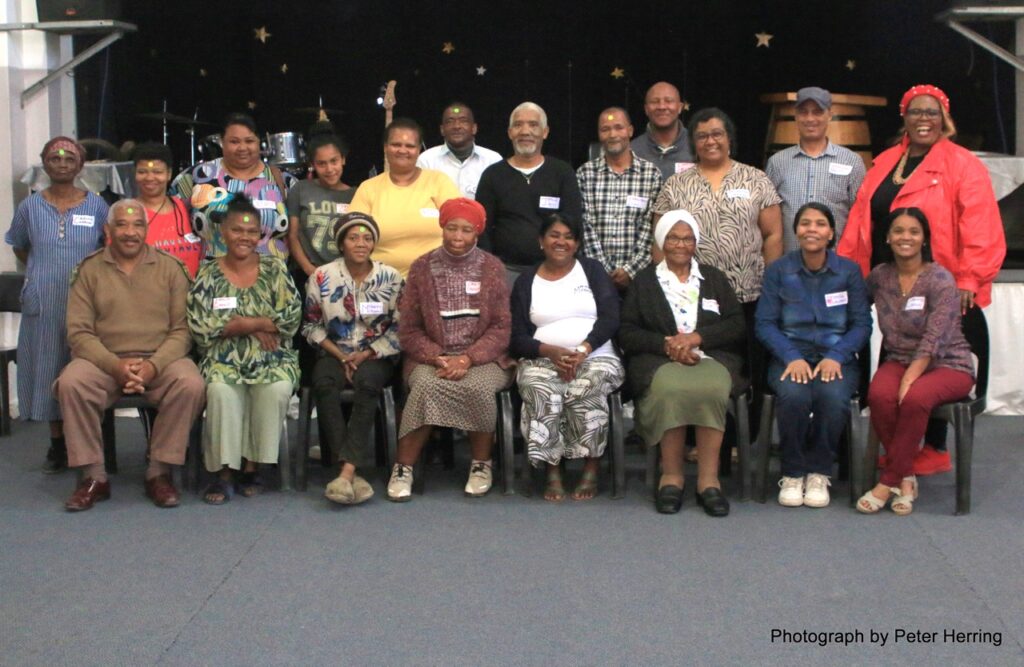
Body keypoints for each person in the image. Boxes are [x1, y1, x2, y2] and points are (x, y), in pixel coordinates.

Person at [837, 84, 1005, 475]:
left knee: (936, 364)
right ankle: (901, 446)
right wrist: (849, 274)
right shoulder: (884, 163)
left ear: (944, 118)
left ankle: (933, 447)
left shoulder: (963, 164)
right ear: (904, 118)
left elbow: (981, 226)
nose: (923, 119)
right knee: (896, 358)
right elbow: (861, 224)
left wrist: (969, 277)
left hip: (944, 288)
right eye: (915, 112)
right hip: (891, 284)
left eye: (931, 112)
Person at [54, 200, 205, 511]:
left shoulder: (170, 268)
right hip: (104, 361)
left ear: (146, 230)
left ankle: (158, 471)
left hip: (159, 359)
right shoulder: (88, 270)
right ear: (108, 230)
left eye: (137, 225)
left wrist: (152, 366)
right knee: (71, 382)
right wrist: (115, 365)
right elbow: (79, 333)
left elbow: (182, 331)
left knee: (191, 384)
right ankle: (94, 477)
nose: (130, 232)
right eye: (122, 225)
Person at [618, 210, 746, 517]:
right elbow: (628, 332)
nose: (680, 244)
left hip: (711, 357)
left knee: (713, 387)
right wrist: (667, 344)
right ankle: (671, 476)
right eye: (673, 237)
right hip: (657, 360)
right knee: (671, 389)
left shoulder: (713, 278)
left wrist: (697, 338)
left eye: (688, 238)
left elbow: (736, 324)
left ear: (696, 242)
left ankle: (708, 480)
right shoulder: (644, 282)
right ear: (662, 241)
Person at [652, 107, 782, 403]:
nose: (710, 141)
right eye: (702, 136)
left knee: (745, 367)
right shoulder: (676, 185)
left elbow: (773, 234)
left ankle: (740, 443)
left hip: (748, 292)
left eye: (717, 134)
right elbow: (660, 240)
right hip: (692, 298)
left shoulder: (755, 179)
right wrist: (666, 289)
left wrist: (772, 283)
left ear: (729, 138)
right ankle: (694, 441)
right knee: (696, 367)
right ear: (692, 142)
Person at [388, 198, 513, 501]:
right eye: (452, 228)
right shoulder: (421, 267)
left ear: (477, 233)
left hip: (483, 359)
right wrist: (438, 358)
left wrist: (467, 358)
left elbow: (500, 327)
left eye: (466, 230)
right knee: (425, 387)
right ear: (442, 228)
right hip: (431, 358)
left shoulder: (492, 268)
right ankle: (403, 468)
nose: (458, 237)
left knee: (479, 388)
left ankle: (481, 464)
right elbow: (410, 329)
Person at [857, 208, 975, 516]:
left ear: (924, 239)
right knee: (879, 395)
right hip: (899, 358)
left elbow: (935, 337)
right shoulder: (880, 276)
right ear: (887, 237)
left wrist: (911, 376)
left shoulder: (940, 279)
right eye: (898, 231)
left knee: (915, 397)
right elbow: (856, 310)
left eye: (913, 231)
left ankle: (889, 481)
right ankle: (907, 477)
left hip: (949, 363)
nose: (905, 237)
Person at [755, 203, 871, 508]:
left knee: (831, 396)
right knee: (794, 396)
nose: (812, 229)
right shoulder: (779, 270)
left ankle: (819, 471)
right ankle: (793, 473)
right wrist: (791, 356)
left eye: (820, 224)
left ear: (831, 233)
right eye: (805, 223)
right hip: (789, 355)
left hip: (838, 358)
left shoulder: (849, 271)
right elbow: (765, 323)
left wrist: (837, 355)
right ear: (796, 231)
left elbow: (862, 324)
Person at [187, 196, 300, 504]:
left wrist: (245, 323)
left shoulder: (275, 268)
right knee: (222, 391)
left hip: (272, 354)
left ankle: (252, 465)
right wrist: (260, 323)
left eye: (252, 232)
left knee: (276, 387)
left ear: (261, 235)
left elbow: (291, 316)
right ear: (223, 232)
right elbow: (200, 325)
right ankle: (224, 472)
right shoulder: (208, 273)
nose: (245, 237)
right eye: (238, 230)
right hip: (222, 357)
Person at [5, 136, 107, 473]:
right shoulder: (30, 207)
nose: (62, 164)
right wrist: (43, 269)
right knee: (48, 367)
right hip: (45, 301)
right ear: (44, 164)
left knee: (84, 366)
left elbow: (109, 248)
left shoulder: (97, 207)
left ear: (80, 165)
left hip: (88, 302)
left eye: (69, 159)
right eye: (54, 158)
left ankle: (89, 440)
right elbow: (20, 246)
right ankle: (58, 443)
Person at [510, 213, 623, 501]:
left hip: (596, 355)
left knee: (585, 386)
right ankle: (552, 469)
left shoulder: (592, 270)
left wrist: (583, 349)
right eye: (554, 235)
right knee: (541, 389)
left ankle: (591, 467)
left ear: (577, 244)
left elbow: (611, 317)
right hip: (542, 358)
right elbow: (517, 337)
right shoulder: (526, 281)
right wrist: (549, 351)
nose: (561, 241)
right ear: (541, 241)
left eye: (569, 237)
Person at [303, 213, 402, 505]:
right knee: (323, 382)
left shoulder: (391, 277)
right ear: (341, 243)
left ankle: (344, 472)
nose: (361, 243)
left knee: (368, 384)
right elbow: (310, 325)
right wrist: (341, 355)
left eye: (367, 238)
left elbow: (401, 327)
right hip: (334, 350)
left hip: (376, 352)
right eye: (353, 237)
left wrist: (368, 353)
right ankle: (350, 473)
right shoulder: (321, 276)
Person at [476, 102, 584, 279]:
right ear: (510, 132)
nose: (525, 131)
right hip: (504, 272)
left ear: (545, 132)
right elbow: (482, 229)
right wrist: (491, 269)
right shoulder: (492, 175)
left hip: (553, 272)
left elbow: (574, 224)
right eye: (518, 125)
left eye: (533, 125)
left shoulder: (562, 173)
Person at [171, 112, 295, 260]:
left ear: (259, 143)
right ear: (222, 142)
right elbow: (169, 223)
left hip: (271, 278)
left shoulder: (283, 180)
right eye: (234, 142)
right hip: (210, 278)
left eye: (249, 141)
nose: (242, 147)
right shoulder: (196, 176)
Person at [349, 117, 460, 277]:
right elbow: (354, 231)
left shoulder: (438, 181)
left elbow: (459, 224)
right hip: (380, 284)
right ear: (385, 148)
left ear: (419, 150)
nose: (402, 150)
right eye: (396, 145)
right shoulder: (369, 188)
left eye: (410, 146)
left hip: (435, 281)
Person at [765, 87, 866, 253]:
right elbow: (769, 220)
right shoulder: (777, 163)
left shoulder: (852, 162)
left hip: (835, 267)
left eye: (817, 112)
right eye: (803, 112)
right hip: (790, 266)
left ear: (829, 115)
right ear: (796, 116)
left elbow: (860, 217)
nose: (810, 118)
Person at [577, 107, 663, 291]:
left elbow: (652, 228)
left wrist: (630, 271)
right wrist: (604, 271)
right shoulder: (585, 174)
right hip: (595, 279)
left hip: (640, 279)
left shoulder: (651, 174)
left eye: (618, 127)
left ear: (630, 131)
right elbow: (584, 226)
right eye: (605, 129)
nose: (612, 134)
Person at [287, 132, 355, 278]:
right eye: (322, 163)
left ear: (343, 159)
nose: (329, 169)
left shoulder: (355, 195)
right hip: (309, 273)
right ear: (312, 165)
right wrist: (309, 270)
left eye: (334, 161)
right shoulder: (300, 189)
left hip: (347, 275)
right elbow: (292, 235)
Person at [132, 142, 203, 277]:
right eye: (142, 172)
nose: (149, 178)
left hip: (191, 294)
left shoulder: (185, 207)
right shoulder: (126, 214)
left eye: (157, 172)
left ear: (169, 174)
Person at [417, 102, 503, 199]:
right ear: (442, 129)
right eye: (450, 121)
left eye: (463, 121)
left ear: (474, 128)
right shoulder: (426, 160)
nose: (457, 126)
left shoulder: (492, 160)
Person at [630, 81, 694, 179]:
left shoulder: (698, 146)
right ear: (646, 109)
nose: (662, 107)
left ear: (680, 107)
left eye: (668, 101)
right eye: (655, 101)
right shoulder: (632, 151)